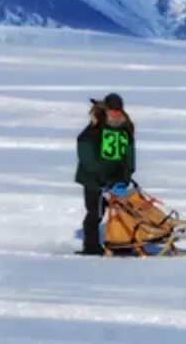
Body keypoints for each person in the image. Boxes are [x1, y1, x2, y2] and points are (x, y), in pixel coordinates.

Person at [75, 93, 136, 255]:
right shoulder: (94, 129)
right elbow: (86, 155)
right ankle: (91, 246)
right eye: (113, 110)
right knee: (96, 213)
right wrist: (101, 178)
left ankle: (122, 243)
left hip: (116, 179)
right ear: (106, 110)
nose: (116, 113)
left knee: (124, 213)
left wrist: (126, 177)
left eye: (119, 110)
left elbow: (129, 154)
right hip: (93, 179)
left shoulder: (125, 128)